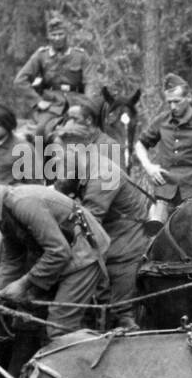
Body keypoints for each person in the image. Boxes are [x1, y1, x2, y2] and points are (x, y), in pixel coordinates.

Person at [0, 159, 109, 341]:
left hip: (82, 254)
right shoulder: (1, 208)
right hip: (60, 253)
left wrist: (23, 284)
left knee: (60, 329)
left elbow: (58, 251)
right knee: (27, 320)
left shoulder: (21, 203)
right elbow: (13, 256)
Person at [53, 115, 147, 331]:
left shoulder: (103, 173)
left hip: (125, 245)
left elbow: (90, 221)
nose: (57, 160)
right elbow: (62, 191)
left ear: (76, 150)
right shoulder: (81, 167)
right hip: (107, 237)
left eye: (60, 155)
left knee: (120, 313)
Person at [134, 73, 192, 228]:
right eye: (169, 102)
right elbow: (140, 145)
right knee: (154, 233)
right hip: (164, 193)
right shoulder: (162, 121)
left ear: (189, 98)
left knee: (190, 238)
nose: (173, 107)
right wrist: (149, 167)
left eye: (177, 101)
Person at [15, 15, 89, 131]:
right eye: (54, 35)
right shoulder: (41, 56)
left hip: (78, 103)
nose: (57, 38)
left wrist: (86, 106)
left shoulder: (80, 56)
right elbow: (20, 80)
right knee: (41, 130)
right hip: (52, 105)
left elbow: (92, 82)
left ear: (66, 35)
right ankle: (39, 149)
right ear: (48, 37)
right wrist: (37, 101)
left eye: (60, 34)